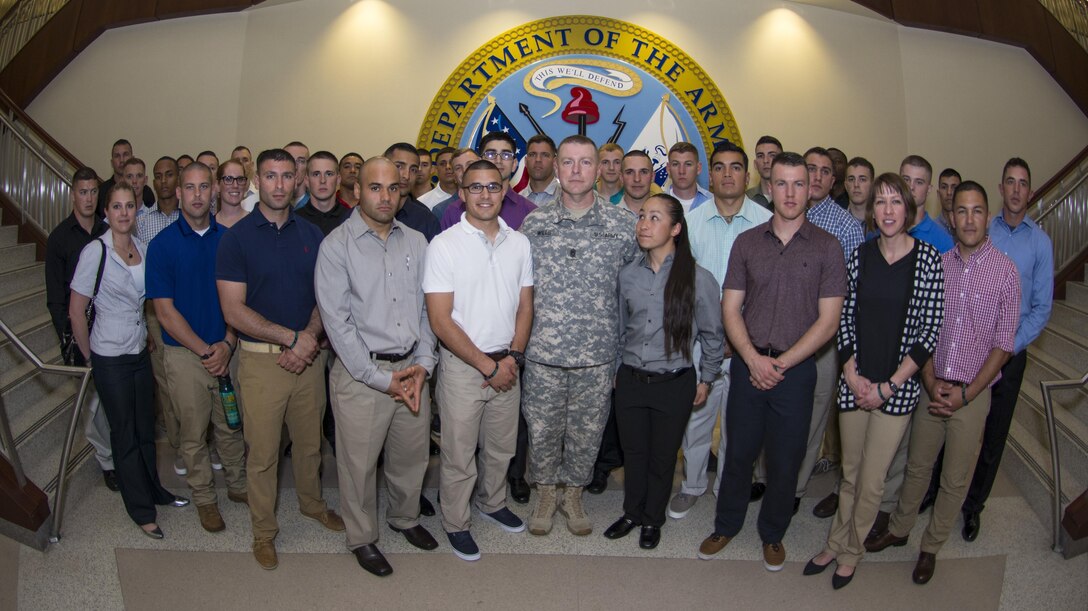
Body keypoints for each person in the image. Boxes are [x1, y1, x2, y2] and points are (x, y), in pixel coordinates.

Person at [698, 152, 846, 572]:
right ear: (769, 186)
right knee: (737, 452)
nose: (791, 192)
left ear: (811, 188)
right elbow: (731, 309)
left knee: (786, 458)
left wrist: (781, 364)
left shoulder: (827, 247)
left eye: (800, 183)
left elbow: (829, 320)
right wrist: (752, 358)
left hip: (796, 371)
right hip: (748, 366)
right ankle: (725, 525)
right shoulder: (747, 242)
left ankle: (773, 533)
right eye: (782, 183)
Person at [867, 181, 1019, 585]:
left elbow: (1004, 345)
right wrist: (932, 383)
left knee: (954, 478)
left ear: (988, 216)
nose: (968, 219)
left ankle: (930, 546)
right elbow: (924, 327)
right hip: (931, 384)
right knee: (917, 467)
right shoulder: (934, 263)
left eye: (977, 211)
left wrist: (968, 393)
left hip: (974, 393)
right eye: (961, 211)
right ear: (950, 217)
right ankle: (899, 530)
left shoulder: (1006, 272)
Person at [804, 173, 944, 589]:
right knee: (849, 473)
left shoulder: (927, 260)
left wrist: (888, 386)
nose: (887, 210)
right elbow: (844, 318)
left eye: (895, 202)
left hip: (896, 390)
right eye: (880, 202)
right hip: (855, 381)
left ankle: (852, 551)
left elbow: (929, 332)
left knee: (872, 479)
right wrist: (851, 373)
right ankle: (834, 542)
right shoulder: (860, 256)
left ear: (909, 209)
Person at [216, 148, 345, 570]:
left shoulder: (311, 235)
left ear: (299, 181)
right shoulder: (236, 239)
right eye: (270, 176)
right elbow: (233, 312)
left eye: (287, 176)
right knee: (264, 454)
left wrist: (307, 337)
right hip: (260, 364)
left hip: (307, 362)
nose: (279, 185)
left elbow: (326, 298)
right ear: (258, 179)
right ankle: (264, 531)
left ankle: (312, 503)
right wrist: (291, 338)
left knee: (310, 446)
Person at [315, 157, 438, 577]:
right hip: (362, 377)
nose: (385, 196)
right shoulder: (336, 246)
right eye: (375, 188)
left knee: (411, 457)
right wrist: (380, 379)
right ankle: (362, 538)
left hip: (412, 371)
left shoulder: (418, 242)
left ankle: (405, 518)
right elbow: (337, 324)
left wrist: (423, 363)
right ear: (355, 192)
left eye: (392, 188)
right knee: (358, 465)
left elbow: (428, 310)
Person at [520, 135, 638, 537]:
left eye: (585, 163)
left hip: (598, 356)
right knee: (542, 430)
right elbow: (519, 291)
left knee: (588, 433)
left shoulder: (623, 225)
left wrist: (626, 356)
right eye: (568, 162)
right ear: (555, 166)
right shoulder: (533, 224)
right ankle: (546, 493)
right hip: (543, 354)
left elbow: (633, 297)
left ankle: (573, 493)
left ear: (601, 168)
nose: (575, 171)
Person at [424, 159, 534, 561]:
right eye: (476, 187)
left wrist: (514, 357)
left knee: (502, 448)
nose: (485, 195)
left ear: (505, 190)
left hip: (508, 364)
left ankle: (493, 502)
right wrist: (487, 366)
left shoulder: (520, 243)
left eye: (492, 187)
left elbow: (525, 305)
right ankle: (456, 522)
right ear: (462, 193)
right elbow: (439, 320)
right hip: (463, 367)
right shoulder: (444, 245)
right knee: (458, 452)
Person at [69, 181, 189, 539]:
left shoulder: (141, 247)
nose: (123, 213)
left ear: (136, 210)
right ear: (106, 212)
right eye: (116, 207)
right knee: (124, 435)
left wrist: (148, 336)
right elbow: (77, 311)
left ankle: (154, 490)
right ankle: (140, 510)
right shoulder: (96, 251)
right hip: (109, 355)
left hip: (137, 351)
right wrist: (91, 358)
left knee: (145, 431)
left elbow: (145, 303)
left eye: (129, 206)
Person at [605, 193, 724, 550]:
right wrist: (615, 369)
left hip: (675, 382)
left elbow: (712, 334)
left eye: (654, 218)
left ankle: (652, 519)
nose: (643, 223)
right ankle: (632, 512)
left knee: (662, 456)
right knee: (634, 453)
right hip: (631, 379)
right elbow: (621, 329)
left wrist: (707, 378)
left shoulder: (698, 278)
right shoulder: (627, 275)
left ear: (675, 228)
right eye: (642, 216)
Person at [668, 141, 770, 520]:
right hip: (700, 345)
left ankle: (730, 488)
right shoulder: (689, 225)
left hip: (750, 347)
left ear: (748, 174)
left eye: (736, 167)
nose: (728, 175)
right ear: (710, 175)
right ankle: (692, 485)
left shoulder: (765, 223)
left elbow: (769, 291)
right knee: (695, 421)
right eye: (721, 168)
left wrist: (739, 339)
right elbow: (680, 288)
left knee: (740, 426)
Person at [147, 162, 248, 533]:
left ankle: (238, 486)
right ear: (178, 193)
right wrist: (208, 351)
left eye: (204, 187)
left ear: (215, 191)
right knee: (192, 433)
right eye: (189, 188)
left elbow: (240, 302)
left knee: (231, 424)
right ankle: (205, 498)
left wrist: (227, 343)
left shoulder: (230, 241)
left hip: (227, 348)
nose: (196, 195)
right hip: (185, 354)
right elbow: (165, 313)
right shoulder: (162, 246)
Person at [958, 158, 1052, 541]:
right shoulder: (983, 229)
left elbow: (1042, 308)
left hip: (1010, 354)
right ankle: (935, 489)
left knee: (994, 435)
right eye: (1010, 182)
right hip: (970, 350)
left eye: (1023, 184)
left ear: (1030, 191)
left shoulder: (1040, 243)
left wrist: (1008, 347)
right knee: (957, 421)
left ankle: (973, 506)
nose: (1016, 190)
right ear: (1001, 188)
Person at [793, 147, 863, 513]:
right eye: (811, 170)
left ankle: (796, 488)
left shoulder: (847, 227)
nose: (817, 177)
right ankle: (763, 478)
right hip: (779, 335)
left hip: (823, 341)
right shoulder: (781, 216)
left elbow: (851, 294)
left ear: (833, 182)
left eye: (824, 172)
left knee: (813, 416)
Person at [45, 167, 115, 491]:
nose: (88, 198)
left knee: (113, 399)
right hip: (80, 332)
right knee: (92, 404)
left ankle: (121, 453)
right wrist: (69, 341)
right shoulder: (59, 238)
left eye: (92, 192)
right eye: (82, 192)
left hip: (112, 330)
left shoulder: (109, 229)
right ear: (73, 194)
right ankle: (107, 461)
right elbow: (56, 299)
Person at [137, 157, 185, 476]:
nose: (164, 180)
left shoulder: (194, 216)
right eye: (158, 176)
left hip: (189, 309)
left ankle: (202, 440)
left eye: (169, 174)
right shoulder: (141, 223)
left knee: (193, 378)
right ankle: (181, 446)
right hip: (155, 310)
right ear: (153, 183)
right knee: (166, 382)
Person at [440, 132, 537, 231]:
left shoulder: (530, 212)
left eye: (506, 155)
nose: (498, 160)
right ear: (480, 161)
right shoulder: (454, 211)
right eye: (491, 154)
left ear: (514, 164)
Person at [385, 143, 442, 241]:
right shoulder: (363, 212)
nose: (406, 176)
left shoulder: (427, 220)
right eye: (399, 166)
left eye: (413, 170)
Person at [97, 139, 154, 214]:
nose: (122, 160)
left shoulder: (146, 191)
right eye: (117, 156)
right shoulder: (102, 191)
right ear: (111, 162)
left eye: (125, 154)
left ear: (132, 157)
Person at [665, 142, 712, 213]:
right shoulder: (656, 204)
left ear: (698, 168)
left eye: (688, 164)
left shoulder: (713, 203)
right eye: (675, 164)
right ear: (668, 169)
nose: (681, 171)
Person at [517, 135, 560, 205]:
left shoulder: (568, 198)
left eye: (545, 155)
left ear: (555, 162)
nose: (538, 160)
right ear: (525, 161)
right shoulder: (517, 201)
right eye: (532, 155)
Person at [746, 135, 782, 210]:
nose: (765, 160)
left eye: (772, 155)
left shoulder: (791, 196)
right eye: (760, 156)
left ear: (782, 161)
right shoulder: (746, 198)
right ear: (755, 164)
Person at [215, 159, 249, 228]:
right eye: (228, 179)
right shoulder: (208, 226)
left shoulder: (256, 224)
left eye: (240, 179)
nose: (235, 185)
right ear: (217, 185)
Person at [843, 157, 874, 225]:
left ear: (872, 185)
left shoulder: (882, 220)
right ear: (845, 185)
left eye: (862, 179)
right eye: (851, 179)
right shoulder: (837, 220)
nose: (856, 185)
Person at [936, 168, 962, 234]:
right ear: (938, 194)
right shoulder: (932, 229)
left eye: (954, 187)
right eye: (944, 187)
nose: (949, 192)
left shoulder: (968, 226)